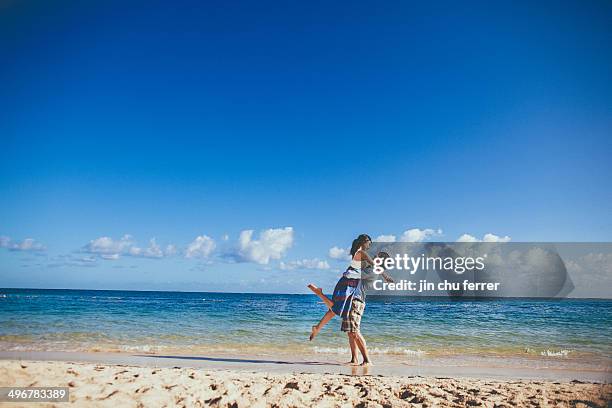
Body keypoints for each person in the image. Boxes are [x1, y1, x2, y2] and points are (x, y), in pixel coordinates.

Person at [308, 234, 393, 366]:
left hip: (357, 301)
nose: (375, 256)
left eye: (378, 257)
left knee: (355, 331)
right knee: (350, 332)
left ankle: (367, 360)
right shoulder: (368, 267)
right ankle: (354, 359)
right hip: (351, 299)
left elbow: (355, 272)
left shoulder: (373, 271)